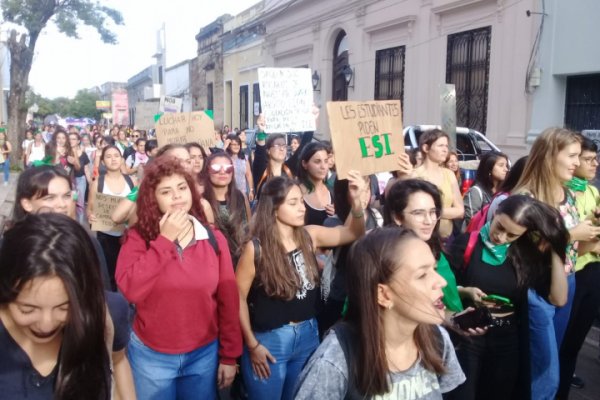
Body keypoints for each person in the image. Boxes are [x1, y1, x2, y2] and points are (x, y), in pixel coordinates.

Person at [116, 157, 241, 399]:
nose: (177, 196)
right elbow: (129, 290)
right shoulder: (137, 238)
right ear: (153, 199)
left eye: (182, 188)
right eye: (166, 191)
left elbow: (228, 299)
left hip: (203, 354)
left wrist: (229, 355)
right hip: (151, 356)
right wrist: (164, 241)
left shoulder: (213, 237)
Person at [235, 173, 366, 400]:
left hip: (308, 334)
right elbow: (237, 298)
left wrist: (357, 205)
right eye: (292, 203)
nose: (301, 208)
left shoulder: (309, 236)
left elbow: (354, 233)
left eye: (301, 202)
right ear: (274, 208)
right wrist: (252, 344)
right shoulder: (255, 249)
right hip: (270, 341)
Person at [294, 227, 465, 399]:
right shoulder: (334, 361)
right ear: (383, 295)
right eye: (422, 275)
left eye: (434, 269)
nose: (441, 282)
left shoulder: (438, 339)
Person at [446, 195, 569, 400]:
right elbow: (443, 288)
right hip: (467, 338)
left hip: (506, 343)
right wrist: (464, 291)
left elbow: (559, 299)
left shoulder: (525, 255)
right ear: (495, 212)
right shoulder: (468, 243)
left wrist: (556, 251)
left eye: (512, 235)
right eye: (500, 227)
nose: (501, 238)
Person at [0, 213, 135, 399]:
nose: (46, 324)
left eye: (64, 307)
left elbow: (118, 361)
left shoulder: (108, 314)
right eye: (28, 309)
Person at [512, 127, 600, 399]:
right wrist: (571, 234)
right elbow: (519, 251)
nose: (578, 163)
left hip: (566, 284)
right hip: (536, 289)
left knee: (550, 362)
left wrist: (592, 227)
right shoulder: (525, 198)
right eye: (572, 156)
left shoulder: (569, 195)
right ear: (550, 156)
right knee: (545, 374)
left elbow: (572, 250)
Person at [557, 136, 600, 398]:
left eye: (595, 159)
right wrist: (590, 243)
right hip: (573, 273)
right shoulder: (564, 194)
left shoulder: (594, 192)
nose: (594, 164)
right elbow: (563, 245)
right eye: (586, 159)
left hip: (594, 273)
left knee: (574, 344)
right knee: (560, 342)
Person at [318, 175, 384, 334]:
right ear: (343, 193)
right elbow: (354, 234)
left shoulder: (379, 217)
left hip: (371, 293)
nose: (363, 194)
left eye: (366, 189)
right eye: (355, 189)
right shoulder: (334, 222)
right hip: (341, 295)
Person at [87, 145, 135, 291]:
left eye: (116, 156)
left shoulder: (132, 181)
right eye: (108, 156)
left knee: (130, 273)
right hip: (106, 235)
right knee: (109, 275)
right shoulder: (98, 183)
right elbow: (90, 208)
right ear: (102, 162)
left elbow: (137, 204)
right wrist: (91, 216)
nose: (113, 159)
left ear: (121, 159)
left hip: (129, 235)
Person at [412, 129, 464, 239]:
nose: (445, 150)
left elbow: (460, 211)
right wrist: (444, 212)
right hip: (422, 238)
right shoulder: (415, 176)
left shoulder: (449, 174)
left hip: (447, 238)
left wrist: (432, 212)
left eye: (446, 146)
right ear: (426, 148)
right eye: (440, 146)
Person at [202, 152, 251, 264]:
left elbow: (248, 228)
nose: (222, 171)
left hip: (242, 260)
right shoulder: (202, 202)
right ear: (207, 171)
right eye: (216, 168)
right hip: (216, 261)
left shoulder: (241, 197)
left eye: (228, 168)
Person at [462, 151, 509, 228]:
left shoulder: (504, 191)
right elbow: (471, 221)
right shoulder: (476, 191)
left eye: (506, 166)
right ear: (489, 168)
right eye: (501, 165)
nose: (506, 169)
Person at [297, 142, 334, 226]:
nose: (323, 167)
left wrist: (339, 215)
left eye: (326, 161)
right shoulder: (295, 192)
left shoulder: (334, 190)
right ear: (304, 164)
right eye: (317, 162)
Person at [68, 132, 91, 225]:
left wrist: (90, 183)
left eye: (73, 139)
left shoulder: (83, 154)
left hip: (80, 180)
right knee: (71, 202)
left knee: (80, 203)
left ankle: (80, 225)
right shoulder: (65, 153)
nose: (71, 141)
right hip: (69, 181)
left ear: (78, 141)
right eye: (69, 139)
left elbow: (86, 169)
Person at [225, 134, 255, 202]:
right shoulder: (225, 158)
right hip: (228, 194)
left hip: (242, 194)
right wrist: (224, 146)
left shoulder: (244, 157)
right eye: (234, 144)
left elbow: (248, 174)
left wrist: (251, 190)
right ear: (229, 146)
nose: (237, 146)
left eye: (238, 144)